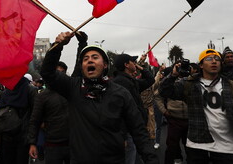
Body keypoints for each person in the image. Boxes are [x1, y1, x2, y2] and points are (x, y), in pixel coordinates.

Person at [40, 31, 159, 164]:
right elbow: (47, 73)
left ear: (105, 65)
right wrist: (57, 46)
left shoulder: (120, 93)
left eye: (95, 57)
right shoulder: (73, 87)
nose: (90, 60)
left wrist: (151, 159)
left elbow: (138, 131)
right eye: (85, 59)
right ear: (82, 67)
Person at [159, 49, 233, 164]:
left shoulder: (232, 87)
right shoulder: (189, 84)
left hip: (226, 146)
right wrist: (173, 75)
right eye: (209, 59)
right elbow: (164, 91)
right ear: (201, 65)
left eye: (217, 59)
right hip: (197, 144)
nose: (214, 61)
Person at [113, 53, 155, 164]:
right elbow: (118, 111)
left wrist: (140, 66)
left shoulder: (131, 81)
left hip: (135, 130)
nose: (134, 64)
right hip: (127, 132)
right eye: (133, 62)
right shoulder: (120, 82)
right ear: (126, 64)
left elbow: (150, 80)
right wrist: (123, 137)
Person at [28, 61, 70, 164]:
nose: (59, 75)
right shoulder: (42, 96)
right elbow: (35, 120)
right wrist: (32, 143)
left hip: (73, 143)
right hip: (53, 145)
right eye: (57, 72)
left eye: (62, 72)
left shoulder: (71, 91)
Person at [0, 74, 37, 164]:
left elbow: (35, 116)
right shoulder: (6, 92)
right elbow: (0, 112)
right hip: (7, 137)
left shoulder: (30, 90)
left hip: (23, 137)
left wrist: (32, 142)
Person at [155, 65, 188, 164]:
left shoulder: (191, 81)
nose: (180, 71)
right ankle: (176, 159)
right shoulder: (168, 82)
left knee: (192, 147)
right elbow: (158, 96)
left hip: (191, 119)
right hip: (174, 119)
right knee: (172, 146)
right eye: (178, 69)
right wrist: (164, 111)